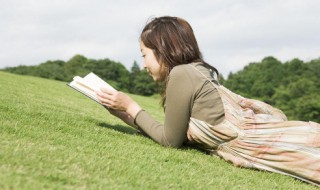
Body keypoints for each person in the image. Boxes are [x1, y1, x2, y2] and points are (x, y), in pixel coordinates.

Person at [95, 16, 320, 186]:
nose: (143, 64)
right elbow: (176, 134)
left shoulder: (182, 74)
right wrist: (125, 114)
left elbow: (170, 140)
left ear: (162, 49)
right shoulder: (196, 70)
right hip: (278, 141)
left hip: (277, 146)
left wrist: (131, 107)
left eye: (144, 54)